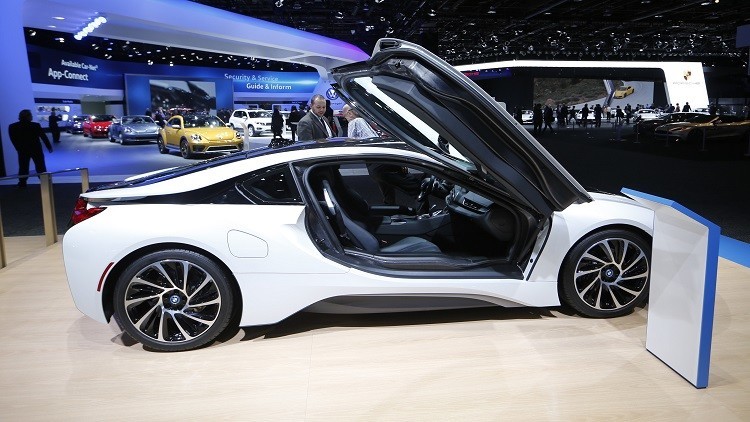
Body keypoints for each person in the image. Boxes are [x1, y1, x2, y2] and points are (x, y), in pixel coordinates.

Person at [8, 109, 53, 188]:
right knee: (40, 166)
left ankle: (22, 183)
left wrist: (18, 148)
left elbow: (13, 139)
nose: (32, 117)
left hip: (22, 150)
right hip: (36, 149)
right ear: (28, 116)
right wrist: (49, 146)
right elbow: (43, 137)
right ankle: (45, 183)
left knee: (23, 167)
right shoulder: (35, 125)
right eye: (31, 115)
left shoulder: (12, 126)